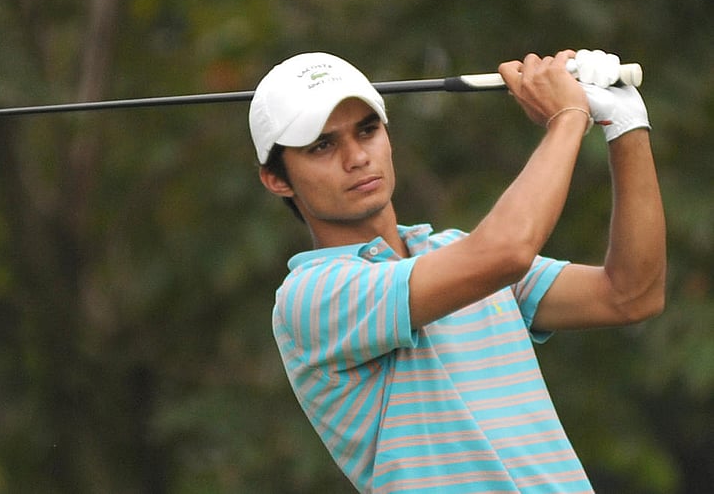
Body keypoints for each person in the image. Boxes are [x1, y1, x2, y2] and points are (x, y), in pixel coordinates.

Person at [249, 50, 666, 493]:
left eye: (367, 131)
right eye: (322, 146)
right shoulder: (311, 296)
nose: (356, 158)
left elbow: (631, 294)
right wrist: (568, 117)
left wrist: (625, 127)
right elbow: (505, 252)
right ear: (278, 180)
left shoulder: (452, 251)